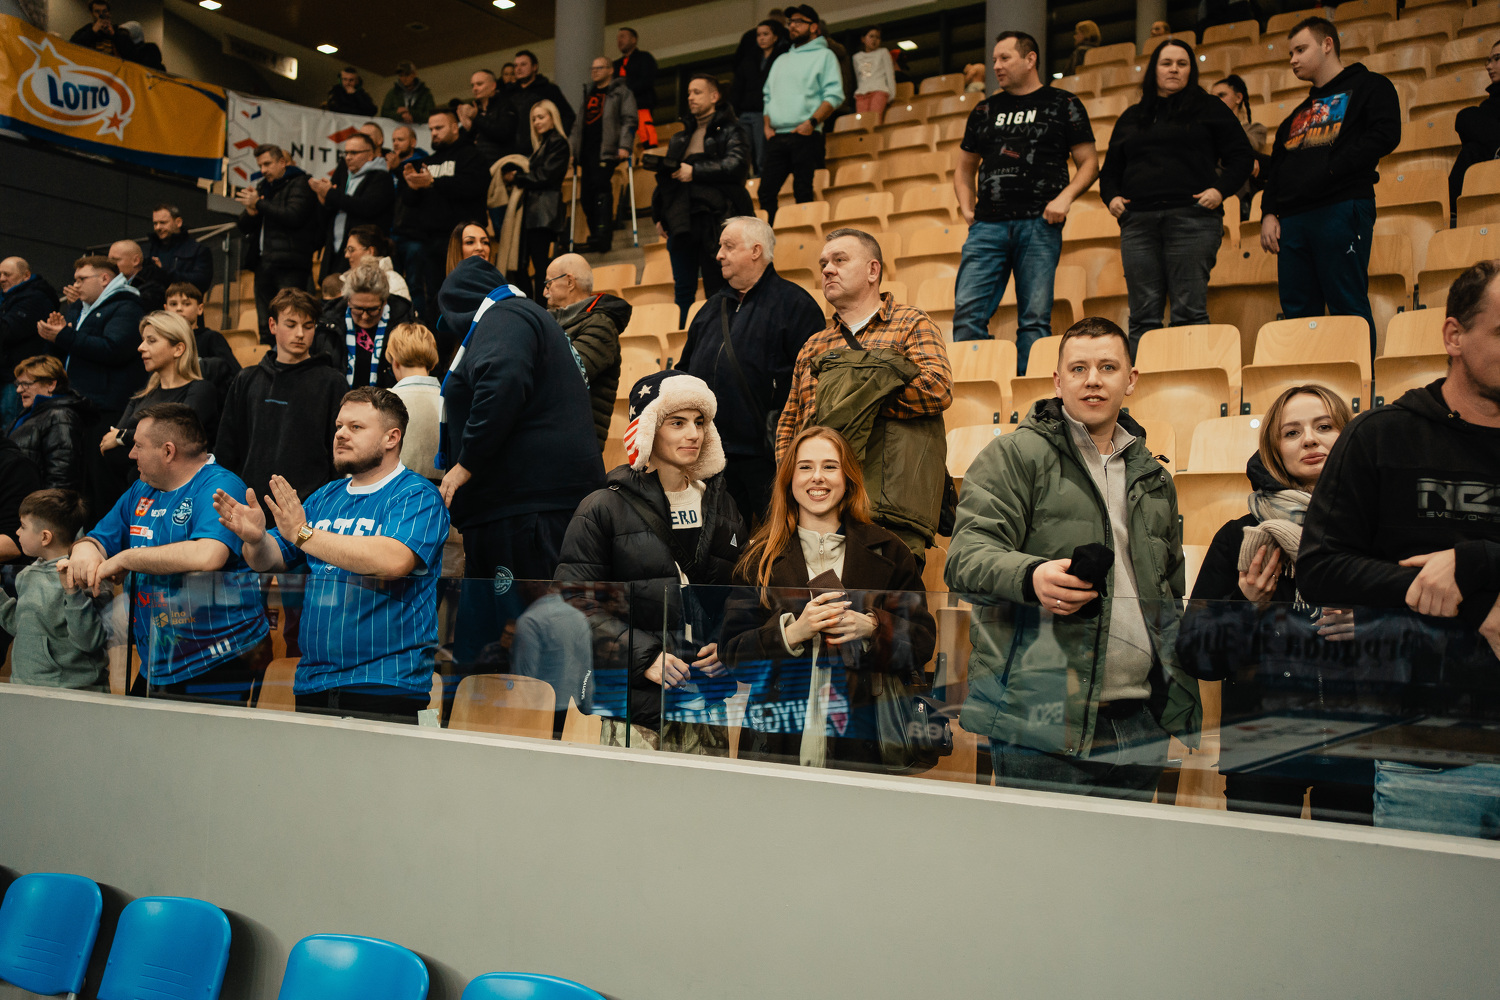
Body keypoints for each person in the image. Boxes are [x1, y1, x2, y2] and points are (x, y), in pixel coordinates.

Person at [945, 316, 1199, 800]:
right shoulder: (1013, 456)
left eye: (1108, 367)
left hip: (1141, 722)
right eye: (1078, 368)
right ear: (1058, 381)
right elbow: (965, 558)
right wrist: (1032, 575)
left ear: (1131, 379)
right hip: (1041, 720)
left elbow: (1169, 592)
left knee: (1126, 853)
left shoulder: (1154, 477)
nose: (1093, 380)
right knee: (1042, 853)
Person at [1298, 260, 1500, 836]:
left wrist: (1474, 564)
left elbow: (1469, 567)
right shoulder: (1381, 435)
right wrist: (1457, 594)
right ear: (1454, 335)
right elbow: (1320, 567)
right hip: (1425, 752)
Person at [1177, 384, 1367, 820]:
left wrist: (1371, 621)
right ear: (1274, 450)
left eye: (1325, 426)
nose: (1310, 440)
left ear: (1348, 436)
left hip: (1357, 748)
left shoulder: (1373, 531)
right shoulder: (1238, 537)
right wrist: (1246, 605)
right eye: (1292, 432)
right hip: (1260, 748)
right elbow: (1196, 655)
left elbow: (1419, 631)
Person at [214, 387, 449, 723]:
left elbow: (394, 560)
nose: (341, 434)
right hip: (314, 679)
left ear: (391, 438)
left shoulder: (417, 495)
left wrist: (303, 534)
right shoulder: (326, 496)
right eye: (339, 426)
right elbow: (270, 559)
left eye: (356, 427)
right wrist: (255, 539)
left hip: (386, 681)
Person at [721, 425, 935, 767]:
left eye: (830, 466)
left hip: (863, 743)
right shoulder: (758, 557)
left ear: (847, 478)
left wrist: (873, 627)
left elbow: (923, 642)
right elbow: (733, 655)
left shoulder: (890, 551)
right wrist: (791, 633)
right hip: (776, 743)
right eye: (805, 467)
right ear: (789, 479)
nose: (817, 477)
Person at [554, 371, 746, 751]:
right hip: (637, 714)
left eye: (699, 422)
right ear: (648, 428)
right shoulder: (602, 508)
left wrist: (729, 645)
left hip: (708, 708)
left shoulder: (724, 507)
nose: (693, 434)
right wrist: (643, 656)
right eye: (677, 423)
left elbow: (743, 596)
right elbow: (574, 603)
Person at [66, 404, 271, 703]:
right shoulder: (141, 489)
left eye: (138, 446)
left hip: (219, 657)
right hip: (159, 659)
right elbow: (98, 538)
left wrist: (126, 559)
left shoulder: (220, 485)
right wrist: (84, 550)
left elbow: (208, 555)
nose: (131, 454)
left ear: (168, 451)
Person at [775, 229, 952, 561]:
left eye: (840, 260)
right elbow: (790, 425)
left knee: (887, 595)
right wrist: (792, 487)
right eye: (823, 264)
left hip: (887, 510)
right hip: (820, 512)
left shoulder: (911, 323)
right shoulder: (814, 345)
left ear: (873, 270)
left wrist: (856, 402)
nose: (828, 269)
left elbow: (937, 389)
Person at [436, 256, 605, 596]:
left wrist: (466, 463)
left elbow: (503, 380)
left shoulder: (504, 315)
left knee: (521, 624)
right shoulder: (522, 315)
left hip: (525, 513)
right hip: (529, 507)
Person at [951, 31, 1098, 370]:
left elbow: (1090, 163)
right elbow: (964, 168)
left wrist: (1065, 199)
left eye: (1005, 58)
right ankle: (981, 385)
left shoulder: (1063, 103)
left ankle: (1027, 392)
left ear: (1030, 59)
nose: (996, 66)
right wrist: (966, 207)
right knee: (968, 314)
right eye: (994, 60)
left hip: (1039, 223)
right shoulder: (984, 109)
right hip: (987, 225)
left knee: (1034, 320)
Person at [1099, 39, 1254, 356]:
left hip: (1193, 220)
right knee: (1142, 317)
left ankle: (1190, 379)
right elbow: (1111, 170)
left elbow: (1242, 157)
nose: (1174, 69)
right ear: (1154, 69)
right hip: (1138, 224)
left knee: (1189, 313)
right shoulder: (1132, 117)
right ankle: (1144, 382)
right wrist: (1111, 197)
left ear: (1191, 70)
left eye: (1182, 64)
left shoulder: (1209, 108)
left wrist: (1219, 191)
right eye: (1166, 63)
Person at [1260, 16, 1401, 359]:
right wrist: (1268, 212)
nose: (1293, 59)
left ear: (1327, 45)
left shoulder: (1370, 86)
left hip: (1341, 206)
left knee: (1346, 304)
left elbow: (1385, 135)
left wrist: (1332, 168)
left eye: (1300, 50)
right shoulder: (1295, 115)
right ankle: (1304, 383)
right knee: (1297, 311)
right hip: (1293, 220)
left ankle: (1357, 383)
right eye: (1290, 53)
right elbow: (1277, 168)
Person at [677, 216, 823, 525]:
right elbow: (684, 370)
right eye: (720, 247)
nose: (719, 255)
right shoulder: (710, 309)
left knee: (782, 540)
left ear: (756, 251)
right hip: (712, 455)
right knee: (720, 546)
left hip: (768, 458)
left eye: (728, 247)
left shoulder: (796, 305)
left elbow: (813, 386)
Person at [215, 289, 348, 517]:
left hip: (310, 511)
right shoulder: (247, 379)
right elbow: (227, 450)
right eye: (291, 324)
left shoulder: (332, 382)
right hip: (251, 509)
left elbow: (339, 453)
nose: (300, 334)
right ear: (272, 325)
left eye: (308, 326)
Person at [650, 75, 754, 326]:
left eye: (697, 92)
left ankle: (723, 337)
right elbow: (667, 178)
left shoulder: (732, 130)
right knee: (683, 289)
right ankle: (685, 337)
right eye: (689, 93)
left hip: (715, 220)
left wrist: (695, 171)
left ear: (714, 96)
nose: (690, 97)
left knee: (718, 287)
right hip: (681, 220)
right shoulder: (679, 137)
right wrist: (659, 215)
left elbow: (737, 166)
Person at [36, 256, 145, 457]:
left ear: (104, 279)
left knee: (97, 469)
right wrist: (54, 339)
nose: (76, 285)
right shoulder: (78, 307)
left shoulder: (127, 307)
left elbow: (114, 349)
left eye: (82, 279)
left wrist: (64, 336)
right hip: (77, 402)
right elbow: (69, 349)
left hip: (104, 408)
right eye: (75, 279)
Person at [0, 489, 108, 689]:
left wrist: (72, 593)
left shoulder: (85, 575)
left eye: (23, 526)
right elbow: (22, 628)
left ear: (45, 537)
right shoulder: (26, 575)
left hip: (74, 693)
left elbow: (89, 641)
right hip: (26, 688)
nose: (17, 532)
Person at [99, 312, 218, 490]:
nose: (140, 347)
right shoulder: (142, 396)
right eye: (143, 340)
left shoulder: (201, 390)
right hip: (135, 493)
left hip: (182, 495)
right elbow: (111, 446)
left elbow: (175, 437)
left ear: (178, 349)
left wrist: (123, 437)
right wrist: (125, 439)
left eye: (151, 341)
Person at [402, 110, 490, 332]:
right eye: (431, 129)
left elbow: (473, 187)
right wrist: (412, 186)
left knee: (466, 293)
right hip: (432, 241)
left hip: (463, 239)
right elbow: (411, 202)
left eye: (439, 128)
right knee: (435, 296)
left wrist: (434, 183)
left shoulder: (472, 155)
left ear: (454, 127)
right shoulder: (427, 162)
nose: (434, 133)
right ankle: (438, 342)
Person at [760, 5, 844, 224]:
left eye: (798, 21)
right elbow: (768, 96)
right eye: (790, 22)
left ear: (813, 27)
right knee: (765, 192)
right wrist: (767, 126)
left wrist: (812, 123)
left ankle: (804, 237)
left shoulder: (825, 56)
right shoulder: (781, 60)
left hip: (806, 135)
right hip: (777, 137)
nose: (792, 26)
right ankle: (770, 238)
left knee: (803, 192)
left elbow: (834, 95)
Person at [542, 254, 628, 450]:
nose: (544, 291)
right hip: (553, 435)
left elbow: (567, 372)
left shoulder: (601, 325)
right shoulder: (551, 322)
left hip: (576, 445)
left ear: (569, 282)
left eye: (548, 283)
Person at [235, 144, 320, 342]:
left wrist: (259, 203)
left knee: (292, 320)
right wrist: (251, 211)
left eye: (267, 164)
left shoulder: (300, 183)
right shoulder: (263, 187)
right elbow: (244, 226)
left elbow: (294, 216)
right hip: (263, 263)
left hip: (291, 264)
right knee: (266, 325)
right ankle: (269, 359)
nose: (263, 170)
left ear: (282, 162)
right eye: (260, 166)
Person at [501, 101, 571, 300]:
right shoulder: (544, 144)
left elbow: (545, 175)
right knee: (527, 264)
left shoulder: (558, 142)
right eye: (533, 119)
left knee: (540, 266)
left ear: (552, 117)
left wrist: (517, 177)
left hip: (543, 212)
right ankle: (535, 305)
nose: (537, 122)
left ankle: (541, 306)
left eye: (541, 117)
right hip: (535, 212)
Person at [570, 56, 637, 254]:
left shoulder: (621, 92)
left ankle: (603, 234)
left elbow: (629, 119)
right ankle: (595, 233)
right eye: (593, 68)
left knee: (601, 189)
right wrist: (573, 151)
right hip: (586, 152)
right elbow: (577, 125)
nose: (595, 71)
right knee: (586, 197)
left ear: (610, 70)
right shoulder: (588, 93)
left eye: (600, 67)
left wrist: (624, 145)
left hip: (606, 150)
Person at [309, 133, 394, 283]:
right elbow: (331, 213)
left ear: (370, 155)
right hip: (335, 249)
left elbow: (366, 207)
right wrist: (324, 200)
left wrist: (330, 194)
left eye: (354, 153)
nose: (348, 157)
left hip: (363, 253)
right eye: (346, 153)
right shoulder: (343, 175)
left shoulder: (382, 178)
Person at [316, 261, 413, 390]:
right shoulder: (327, 324)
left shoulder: (405, 323)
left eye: (372, 309)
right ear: (348, 300)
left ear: (384, 301)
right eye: (358, 309)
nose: (365, 316)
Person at [8, 356, 88, 492]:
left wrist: (44, 505)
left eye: (26, 384)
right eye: (18, 384)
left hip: (40, 503)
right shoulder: (31, 413)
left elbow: (61, 478)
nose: (19, 390)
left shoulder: (60, 417)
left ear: (51, 384)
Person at [0, 257, 58, 429]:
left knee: (13, 425)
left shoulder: (36, 298)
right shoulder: (7, 299)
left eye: (7, 274)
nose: (2, 279)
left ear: (25, 275)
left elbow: (8, 332)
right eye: (0, 274)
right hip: (8, 374)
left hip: (18, 376)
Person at [1449, 40, 1500, 225]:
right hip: (1491, 173)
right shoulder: (1487, 108)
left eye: (1497, 59)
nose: (1489, 66)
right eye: (1488, 60)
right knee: (1471, 145)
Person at [163, 283, 239, 402]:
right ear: (166, 309)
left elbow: (235, 376)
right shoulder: (162, 341)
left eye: (186, 304)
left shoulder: (211, 338)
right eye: (173, 304)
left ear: (200, 309)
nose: (179, 308)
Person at [386, 323, 443, 482]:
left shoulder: (381, 403)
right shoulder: (450, 400)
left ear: (395, 362)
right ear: (433, 363)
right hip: (444, 493)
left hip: (396, 492)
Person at [732, 19, 790, 173]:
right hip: (745, 113)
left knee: (762, 155)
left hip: (764, 114)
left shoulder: (782, 58)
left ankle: (761, 180)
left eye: (765, 34)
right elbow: (737, 87)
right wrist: (735, 112)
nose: (762, 38)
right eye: (759, 35)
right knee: (745, 154)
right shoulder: (748, 59)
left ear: (775, 37)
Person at [1211, 75, 1268, 221]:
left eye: (1221, 95)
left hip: (1242, 185)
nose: (1216, 101)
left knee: (1241, 163)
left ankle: (1243, 211)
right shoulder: (1207, 132)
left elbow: (1246, 146)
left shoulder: (1256, 129)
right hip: (1214, 181)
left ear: (1238, 98)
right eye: (1212, 97)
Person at [505, 50, 576, 156]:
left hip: (541, 150)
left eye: (523, 64)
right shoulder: (508, 93)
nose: (518, 69)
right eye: (516, 66)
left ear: (535, 67)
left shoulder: (549, 89)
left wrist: (554, 142)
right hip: (512, 151)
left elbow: (568, 116)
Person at [459, 68, 519, 169]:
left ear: (493, 86)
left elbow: (504, 134)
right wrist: (468, 130)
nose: (475, 88)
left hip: (501, 165)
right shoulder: (474, 109)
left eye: (479, 84)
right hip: (478, 166)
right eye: (472, 85)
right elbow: (465, 145)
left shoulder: (505, 105)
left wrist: (476, 117)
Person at [147, 204, 212, 294]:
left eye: (163, 223)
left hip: (183, 300)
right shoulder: (150, 249)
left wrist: (164, 273)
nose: (158, 227)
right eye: (155, 223)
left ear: (178, 222)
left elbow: (201, 282)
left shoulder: (198, 250)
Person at [614, 27, 659, 147]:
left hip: (641, 106)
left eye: (623, 37)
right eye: (618, 38)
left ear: (633, 39)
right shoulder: (616, 65)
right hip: (620, 113)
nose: (619, 40)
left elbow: (646, 80)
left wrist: (626, 92)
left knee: (645, 141)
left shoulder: (644, 58)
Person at [341, 224, 410, 300]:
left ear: (370, 251)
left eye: (351, 250)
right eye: (346, 250)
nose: (346, 255)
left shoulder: (393, 281)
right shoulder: (345, 280)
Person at [108, 240, 167, 314]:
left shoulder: (154, 286)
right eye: (109, 261)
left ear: (136, 261)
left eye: (115, 260)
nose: (110, 265)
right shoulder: (109, 284)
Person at [852, 26, 896, 119]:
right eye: (871, 36)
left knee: (875, 119)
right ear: (863, 39)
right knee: (862, 122)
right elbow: (859, 78)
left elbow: (890, 74)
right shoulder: (857, 57)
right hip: (862, 93)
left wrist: (892, 95)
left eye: (877, 37)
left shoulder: (883, 52)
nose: (874, 40)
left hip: (879, 90)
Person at [381, 60, 436, 125]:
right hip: (398, 128)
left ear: (414, 74)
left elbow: (431, 115)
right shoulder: (393, 93)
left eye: (407, 75)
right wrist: (400, 115)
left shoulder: (425, 93)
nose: (404, 78)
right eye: (401, 75)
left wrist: (410, 113)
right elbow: (384, 113)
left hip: (420, 129)